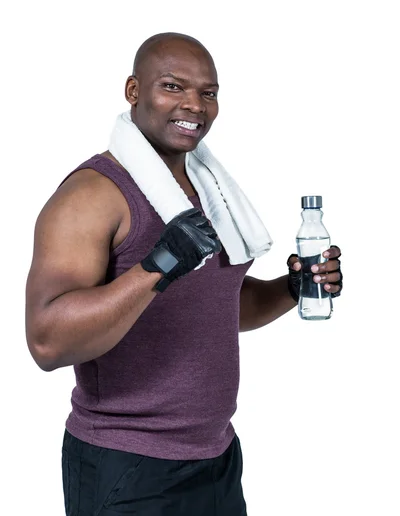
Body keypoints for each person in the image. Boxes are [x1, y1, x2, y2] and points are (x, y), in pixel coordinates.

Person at [25, 32, 343, 515]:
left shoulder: (208, 189)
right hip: (126, 463)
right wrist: (160, 263)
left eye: (208, 92)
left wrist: (290, 288)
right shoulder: (92, 195)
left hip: (216, 457)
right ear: (134, 91)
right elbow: (48, 342)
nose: (193, 104)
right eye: (173, 86)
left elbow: (215, 305)